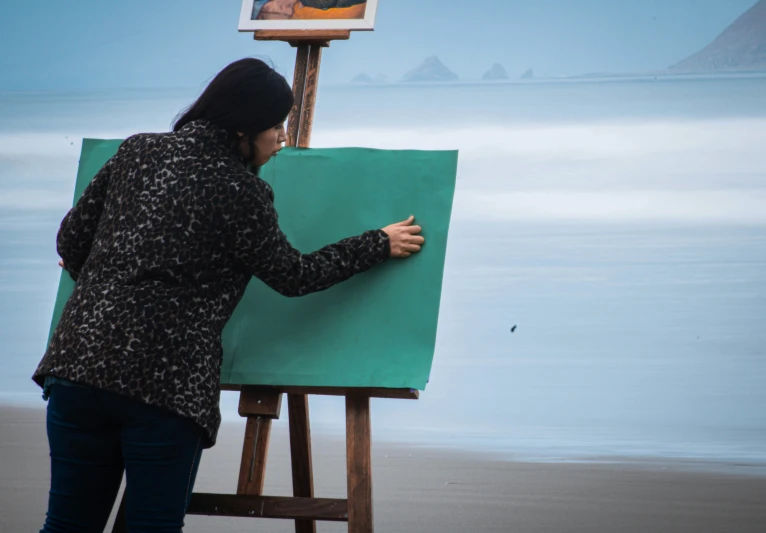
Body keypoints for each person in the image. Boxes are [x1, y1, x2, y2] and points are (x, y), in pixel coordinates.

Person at [32, 57, 424, 533]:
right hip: (163, 384)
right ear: (243, 128)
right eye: (275, 126)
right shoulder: (241, 191)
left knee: (67, 526)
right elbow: (294, 276)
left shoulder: (136, 151)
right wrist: (377, 243)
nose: (281, 138)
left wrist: (106, 286)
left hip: (78, 368)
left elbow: (71, 242)